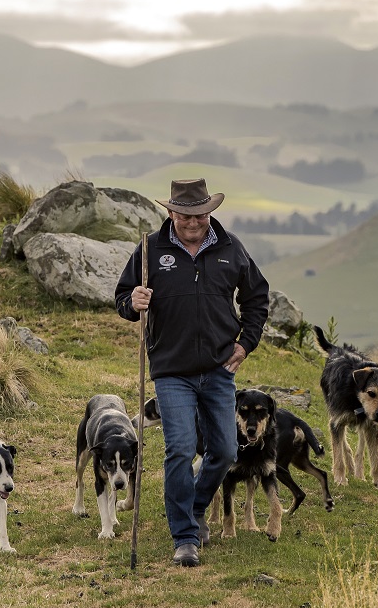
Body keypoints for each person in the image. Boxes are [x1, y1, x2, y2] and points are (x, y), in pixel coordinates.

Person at [115, 178, 270, 567]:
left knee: (224, 450)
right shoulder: (151, 248)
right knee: (181, 449)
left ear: (209, 212)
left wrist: (245, 343)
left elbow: (257, 297)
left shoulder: (230, 247)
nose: (192, 222)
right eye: (184, 215)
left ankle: (195, 506)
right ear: (171, 212)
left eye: (199, 214)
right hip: (172, 371)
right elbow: (122, 297)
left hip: (219, 370)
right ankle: (184, 536)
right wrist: (133, 301)